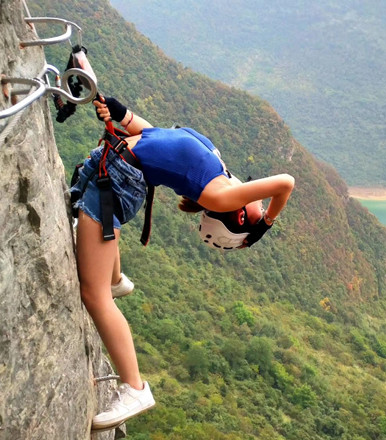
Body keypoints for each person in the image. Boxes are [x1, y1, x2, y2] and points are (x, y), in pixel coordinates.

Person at [72, 96, 295, 430]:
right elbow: (153, 136)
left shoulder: (219, 195)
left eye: (256, 213)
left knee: (93, 294)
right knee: (103, 275)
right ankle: (117, 279)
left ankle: (135, 388)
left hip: (115, 183)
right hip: (113, 168)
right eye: (261, 212)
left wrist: (264, 227)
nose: (260, 207)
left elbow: (285, 183)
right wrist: (119, 111)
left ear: (237, 214)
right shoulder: (215, 162)